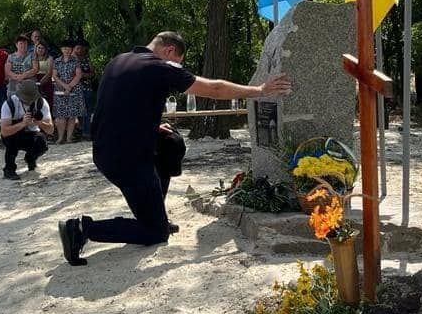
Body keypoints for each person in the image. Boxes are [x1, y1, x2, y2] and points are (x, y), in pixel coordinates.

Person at [57, 31, 291, 266]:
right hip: (129, 159)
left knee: (171, 143)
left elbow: (119, 105)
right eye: (178, 61)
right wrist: (260, 90)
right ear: (169, 51)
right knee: (155, 233)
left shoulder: (118, 61)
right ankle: (81, 228)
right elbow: (214, 89)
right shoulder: (158, 66)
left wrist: (151, 125)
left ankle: (156, 215)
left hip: (107, 150)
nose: (178, 66)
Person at [0, 79, 53, 180]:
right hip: (14, 135)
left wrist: (39, 122)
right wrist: (22, 123)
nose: (28, 101)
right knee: (11, 141)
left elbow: (50, 130)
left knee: (42, 143)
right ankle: (9, 169)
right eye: (25, 99)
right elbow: (4, 132)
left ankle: (31, 158)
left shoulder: (41, 103)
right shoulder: (9, 104)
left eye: (30, 99)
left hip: (32, 133)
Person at [52, 39, 83, 145]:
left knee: (71, 114)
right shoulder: (56, 61)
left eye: (68, 48)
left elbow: (78, 75)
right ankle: (60, 138)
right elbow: (55, 76)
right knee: (60, 115)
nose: (66, 50)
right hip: (60, 90)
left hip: (74, 90)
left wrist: (69, 86)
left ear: (71, 49)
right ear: (61, 49)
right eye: (64, 48)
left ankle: (69, 137)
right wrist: (64, 86)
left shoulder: (76, 60)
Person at [74, 39, 95, 140]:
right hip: (74, 89)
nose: (79, 50)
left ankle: (87, 132)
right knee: (78, 110)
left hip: (87, 87)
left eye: (81, 48)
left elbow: (92, 73)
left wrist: (83, 75)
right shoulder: (70, 60)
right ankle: (80, 130)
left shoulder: (87, 60)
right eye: (77, 48)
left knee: (88, 110)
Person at [33, 42, 54, 112]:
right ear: (36, 48)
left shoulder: (50, 58)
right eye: (39, 48)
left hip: (46, 80)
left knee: (48, 101)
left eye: (42, 48)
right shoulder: (32, 58)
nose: (40, 49)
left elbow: (49, 72)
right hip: (34, 80)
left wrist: (41, 82)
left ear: (45, 49)